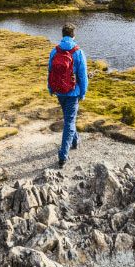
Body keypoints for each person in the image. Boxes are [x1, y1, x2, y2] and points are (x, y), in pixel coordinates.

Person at [48, 23, 88, 168]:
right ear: (73, 35)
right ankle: (63, 155)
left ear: (62, 34)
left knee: (69, 119)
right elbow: (83, 76)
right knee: (69, 122)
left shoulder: (54, 51)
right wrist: (82, 93)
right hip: (73, 93)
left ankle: (75, 141)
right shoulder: (78, 52)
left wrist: (50, 88)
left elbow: (50, 71)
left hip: (59, 91)